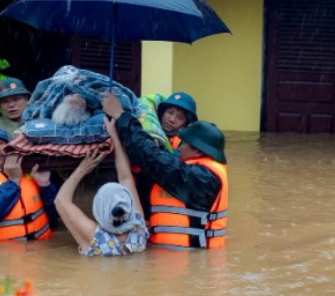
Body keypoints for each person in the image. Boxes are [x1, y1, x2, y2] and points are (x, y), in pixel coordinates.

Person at [103, 92, 228, 250]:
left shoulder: (203, 178)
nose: (179, 147)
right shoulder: (195, 168)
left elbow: (152, 158)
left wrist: (121, 116)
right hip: (168, 258)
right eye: (169, 112)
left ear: (197, 151)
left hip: (190, 262)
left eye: (183, 144)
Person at [54, 117, 149, 256]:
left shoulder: (94, 238)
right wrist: (115, 136)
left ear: (98, 211)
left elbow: (60, 200)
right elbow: (125, 177)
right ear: (129, 205)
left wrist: (83, 169)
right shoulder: (139, 228)